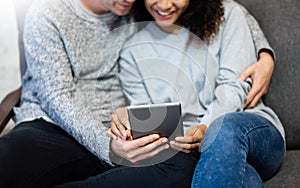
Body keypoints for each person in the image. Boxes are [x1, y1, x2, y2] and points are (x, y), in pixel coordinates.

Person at [0, 0, 277, 187]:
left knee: (180, 168)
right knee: (9, 159)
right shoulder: (47, 13)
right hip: (57, 129)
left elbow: (225, 11)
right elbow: (58, 96)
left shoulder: (135, 10)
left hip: (120, 132)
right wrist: (109, 146)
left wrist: (265, 54)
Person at [109, 0, 285, 187]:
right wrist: (128, 117)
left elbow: (234, 86)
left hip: (249, 132)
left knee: (222, 128)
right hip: (192, 151)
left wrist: (204, 128)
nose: (165, 5)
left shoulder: (227, 15)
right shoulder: (133, 50)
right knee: (246, 180)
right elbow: (151, 120)